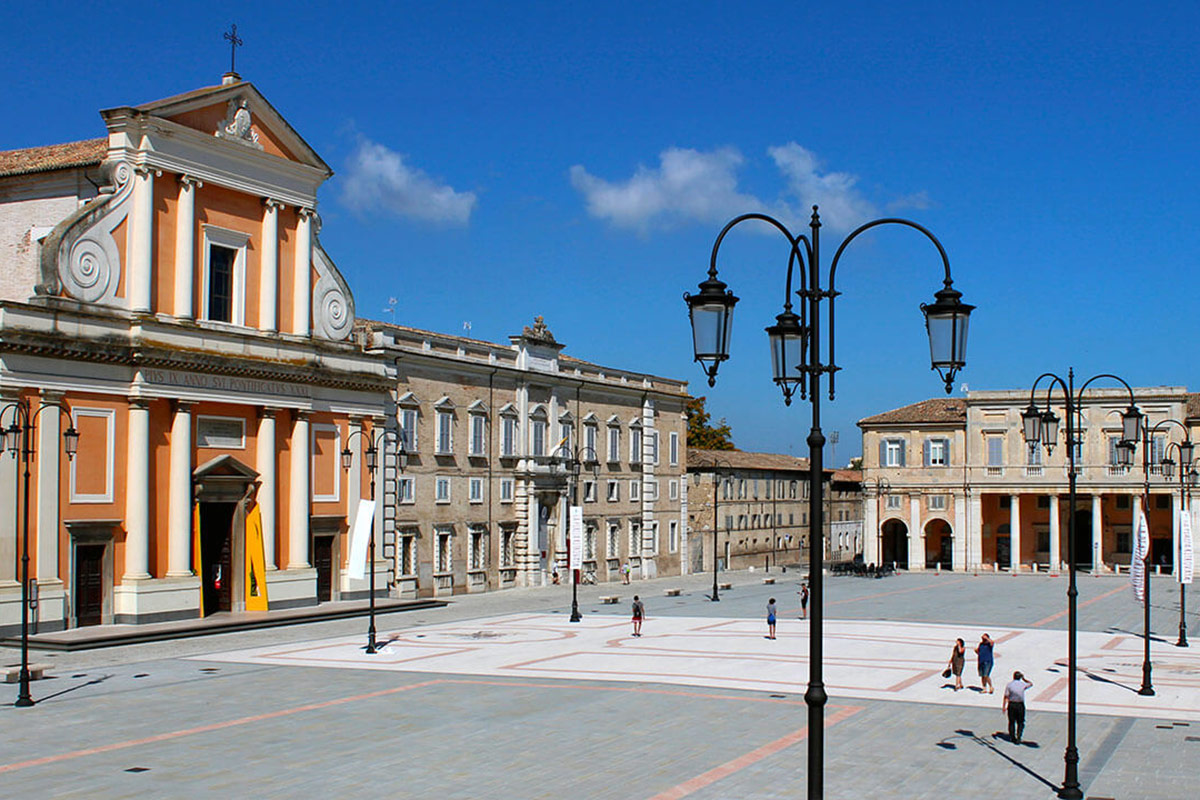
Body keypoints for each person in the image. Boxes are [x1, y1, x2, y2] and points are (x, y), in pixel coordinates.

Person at [1003, 671, 1034, 744]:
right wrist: (1024, 679)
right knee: (1020, 721)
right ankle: (1019, 736)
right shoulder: (1022, 684)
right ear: (1020, 677)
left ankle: (1012, 737)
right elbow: (1031, 684)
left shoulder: (1009, 685)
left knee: (1011, 721)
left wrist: (1004, 706)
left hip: (1012, 704)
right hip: (1020, 704)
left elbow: (1006, 696)